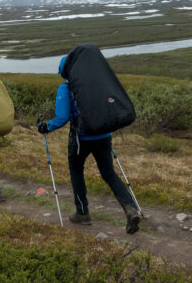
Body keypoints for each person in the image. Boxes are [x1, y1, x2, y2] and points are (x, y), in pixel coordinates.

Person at [37, 57, 141, 234]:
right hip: (103, 136)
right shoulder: (98, 83)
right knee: (108, 173)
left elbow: (62, 117)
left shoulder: (66, 88)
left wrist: (46, 127)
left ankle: (82, 213)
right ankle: (130, 209)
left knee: (77, 173)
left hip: (81, 139)